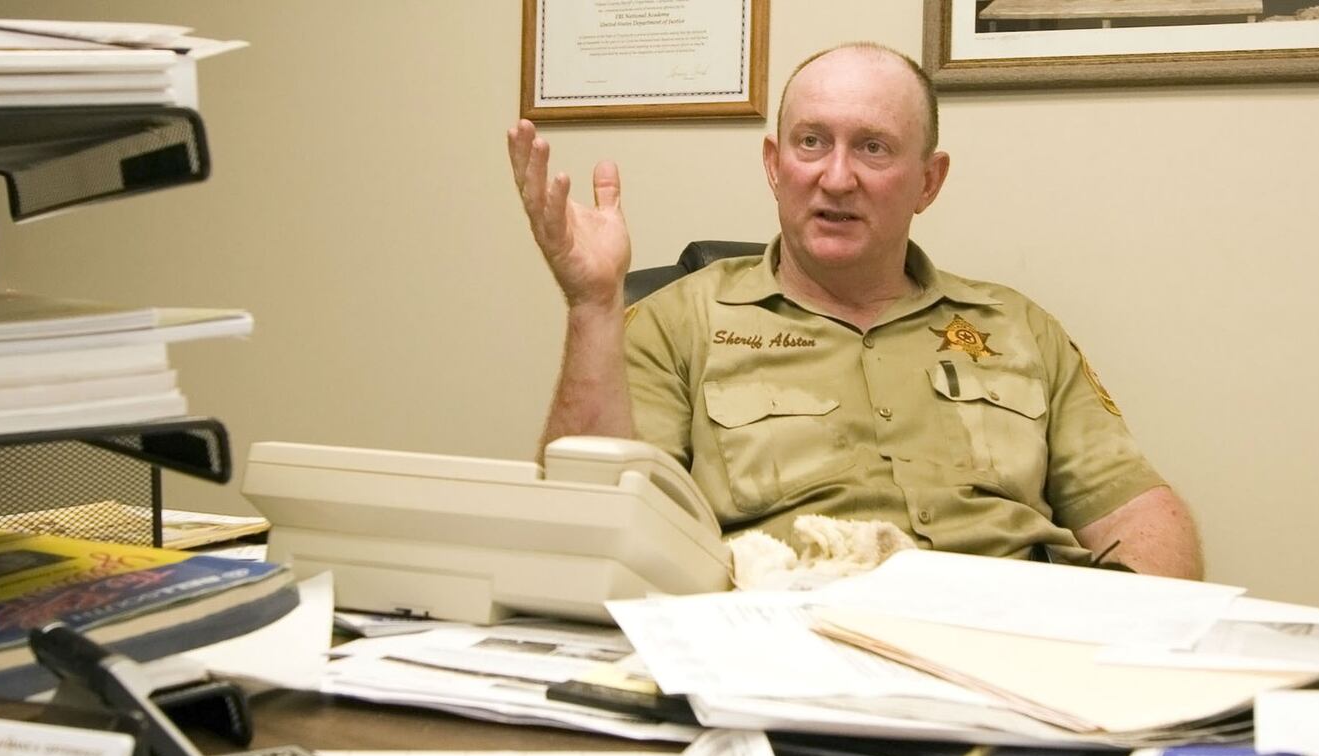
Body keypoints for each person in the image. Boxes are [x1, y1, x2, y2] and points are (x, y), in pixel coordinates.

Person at [507, 42, 1202, 579]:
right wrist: (591, 305)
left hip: (1008, 646)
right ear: (775, 164)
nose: (836, 177)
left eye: (872, 147)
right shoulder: (677, 322)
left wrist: (1135, 654)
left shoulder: (1016, 329)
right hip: (785, 648)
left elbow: (1140, 511)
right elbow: (591, 525)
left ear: (928, 180)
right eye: (812, 142)